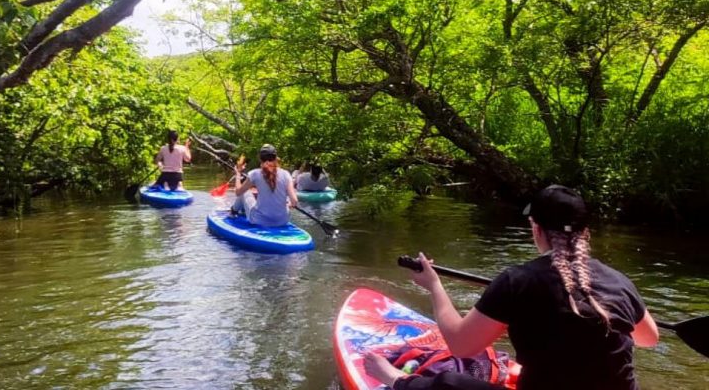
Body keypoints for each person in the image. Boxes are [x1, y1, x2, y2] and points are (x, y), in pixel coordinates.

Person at [364, 184, 659, 390]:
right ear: (585, 233)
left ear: (536, 228)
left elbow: (461, 346)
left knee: (450, 383)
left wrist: (434, 286)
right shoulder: (619, 280)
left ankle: (396, 380)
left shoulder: (517, 281)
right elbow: (648, 338)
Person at [231, 144, 298, 226]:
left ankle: (233, 211)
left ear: (260, 158)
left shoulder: (254, 174)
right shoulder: (286, 174)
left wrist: (238, 173)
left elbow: (238, 192)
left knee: (245, 192)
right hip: (282, 221)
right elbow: (294, 201)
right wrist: (289, 204)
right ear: (276, 158)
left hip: (259, 220)